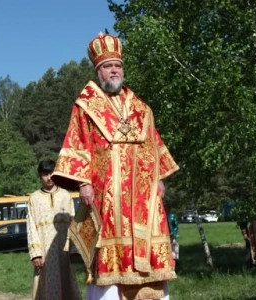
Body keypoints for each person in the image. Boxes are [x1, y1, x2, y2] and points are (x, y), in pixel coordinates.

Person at [52, 33, 179, 300]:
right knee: (108, 268)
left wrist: (159, 179)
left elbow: (152, 144)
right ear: (98, 71)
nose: (114, 70)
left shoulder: (141, 108)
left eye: (118, 66)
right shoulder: (86, 106)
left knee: (150, 257)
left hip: (143, 201)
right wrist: (84, 183)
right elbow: (78, 144)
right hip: (106, 198)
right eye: (108, 66)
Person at [26, 160, 81, 300]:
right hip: (44, 249)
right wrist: (36, 253)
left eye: (51, 173)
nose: (49, 177)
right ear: (40, 175)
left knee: (66, 281)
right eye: (45, 174)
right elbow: (31, 226)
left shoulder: (65, 195)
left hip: (64, 248)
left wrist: (74, 248)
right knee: (46, 284)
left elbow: (73, 222)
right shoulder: (34, 198)